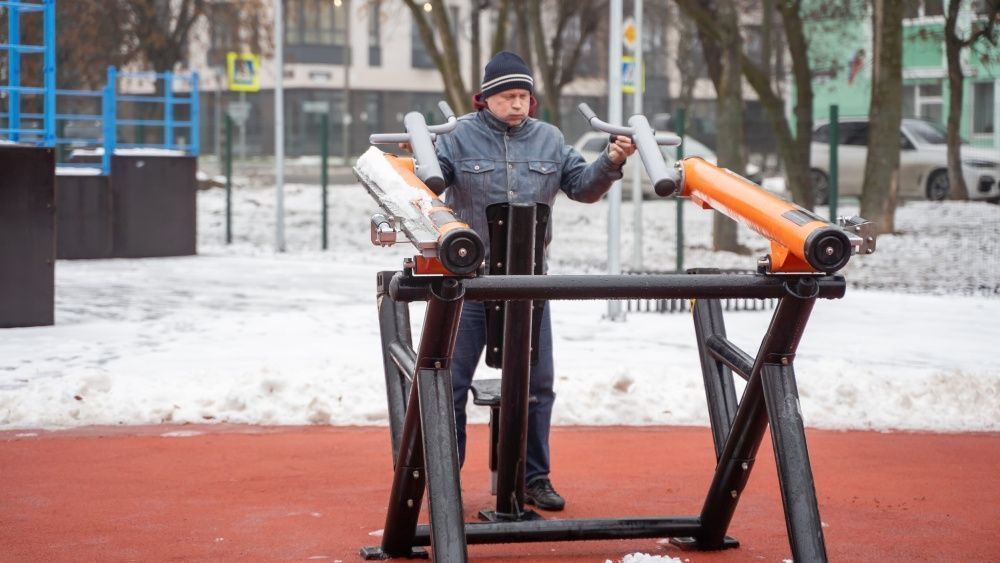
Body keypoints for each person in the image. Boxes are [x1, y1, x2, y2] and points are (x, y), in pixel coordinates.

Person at [431, 51, 635, 511]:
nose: (518, 105)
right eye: (507, 97)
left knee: (538, 386)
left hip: (527, 285)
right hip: (469, 284)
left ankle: (533, 479)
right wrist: (417, 158)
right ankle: (443, 477)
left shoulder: (550, 139)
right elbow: (431, 182)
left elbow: (582, 187)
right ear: (484, 99)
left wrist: (612, 159)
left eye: (523, 96)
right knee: (450, 382)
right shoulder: (458, 136)